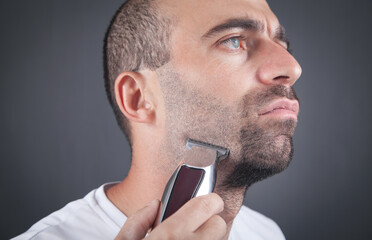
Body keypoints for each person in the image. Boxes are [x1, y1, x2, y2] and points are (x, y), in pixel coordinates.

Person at [13, 0, 302, 239]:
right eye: (234, 41)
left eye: (282, 43)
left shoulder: (267, 232)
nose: (292, 66)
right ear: (138, 98)